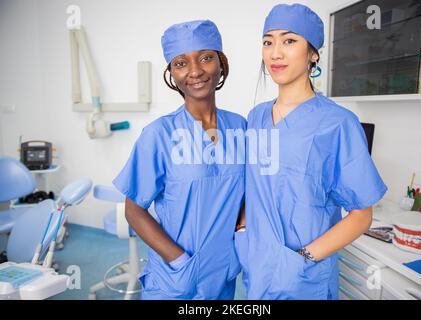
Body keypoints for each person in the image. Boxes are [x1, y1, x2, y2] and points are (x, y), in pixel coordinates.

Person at [237, 3, 388, 300]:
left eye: (289, 41)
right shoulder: (255, 117)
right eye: (268, 42)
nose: (275, 52)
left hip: (305, 276)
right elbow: (254, 184)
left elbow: (361, 215)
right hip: (258, 265)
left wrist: (301, 259)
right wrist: (243, 229)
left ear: (313, 53)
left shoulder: (338, 123)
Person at [113, 20, 246, 300]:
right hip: (176, 278)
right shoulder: (159, 134)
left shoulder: (241, 127)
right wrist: (180, 261)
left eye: (206, 58)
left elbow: (249, 190)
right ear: (172, 73)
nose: (195, 71)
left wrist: (240, 238)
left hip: (223, 272)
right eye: (181, 63)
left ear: (221, 63)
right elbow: (134, 210)